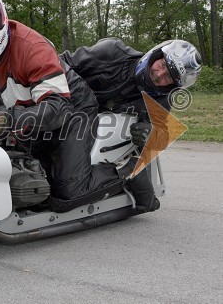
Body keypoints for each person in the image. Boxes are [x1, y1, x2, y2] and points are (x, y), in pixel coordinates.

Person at [0, 0, 138, 213]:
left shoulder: (31, 48)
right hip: (26, 114)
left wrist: (10, 118)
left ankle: (128, 171)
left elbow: (58, 109)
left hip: (71, 108)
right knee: (22, 175)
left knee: (67, 192)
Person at [59, 38, 202, 212]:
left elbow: (162, 134)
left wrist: (151, 135)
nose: (159, 74)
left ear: (173, 85)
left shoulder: (161, 99)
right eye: (163, 65)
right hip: (67, 107)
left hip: (95, 139)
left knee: (66, 189)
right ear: (157, 54)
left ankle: (127, 171)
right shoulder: (112, 52)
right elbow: (61, 62)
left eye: (168, 78)